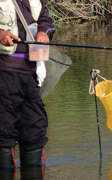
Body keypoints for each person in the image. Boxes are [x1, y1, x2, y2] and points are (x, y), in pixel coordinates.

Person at [0, 0, 55, 173]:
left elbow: (46, 19)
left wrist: (43, 33)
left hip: (31, 72)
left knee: (35, 129)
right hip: (3, 71)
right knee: (3, 130)